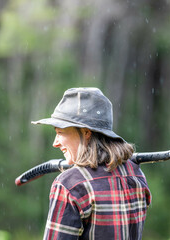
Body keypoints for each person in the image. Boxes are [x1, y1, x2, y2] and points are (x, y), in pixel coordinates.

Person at [32, 87, 151, 240]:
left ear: (86, 132)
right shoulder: (136, 175)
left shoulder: (69, 185)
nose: (55, 143)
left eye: (60, 132)